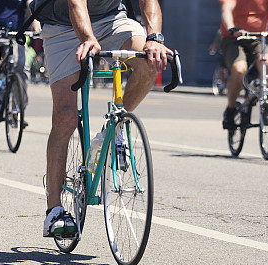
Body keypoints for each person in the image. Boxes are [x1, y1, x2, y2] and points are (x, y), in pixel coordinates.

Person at [30, 0, 172, 238]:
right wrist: (87, 36)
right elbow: (76, 3)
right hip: (62, 24)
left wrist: (155, 38)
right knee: (65, 117)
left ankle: (113, 127)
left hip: (111, 20)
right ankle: (54, 210)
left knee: (149, 64)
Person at [217, 0, 268, 130]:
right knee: (239, 69)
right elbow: (227, 9)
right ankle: (230, 109)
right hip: (234, 38)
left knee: (267, 63)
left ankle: (267, 106)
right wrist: (232, 28)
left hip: (257, 38)